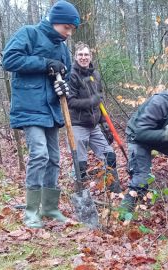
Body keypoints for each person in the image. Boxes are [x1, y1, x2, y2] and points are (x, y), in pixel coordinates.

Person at [2, 0, 80, 228]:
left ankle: (50, 208)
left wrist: (63, 85)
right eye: (67, 27)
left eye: (72, 29)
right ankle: (31, 212)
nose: (69, 33)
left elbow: (65, 74)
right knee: (39, 154)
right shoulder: (29, 34)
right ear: (56, 21)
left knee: (54, 159)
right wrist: (46, 63)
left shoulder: (63, 49)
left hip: (52, 109)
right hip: (29, 106)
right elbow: (9, 60)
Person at [66, 42, 121, 193]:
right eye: (80, 55)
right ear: (76, 57)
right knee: (80, 164)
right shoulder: (72, 75)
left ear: (91, 57)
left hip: (94, 125)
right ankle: (79, 193)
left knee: (109, 156)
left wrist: (105, 125)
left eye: (86, 55)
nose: (83, 58)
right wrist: (90, 101)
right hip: (77, 125)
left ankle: (114, 192)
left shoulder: (95, 75)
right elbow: (70, 101)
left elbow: (100, 102)